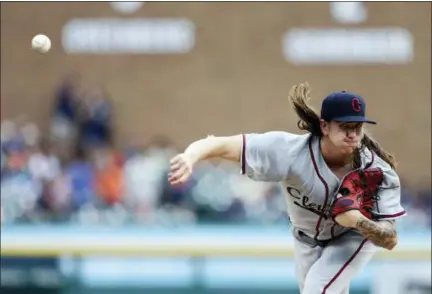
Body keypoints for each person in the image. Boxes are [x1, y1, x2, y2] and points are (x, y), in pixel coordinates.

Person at [168, 82, 406, 294]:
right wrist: (190, 157)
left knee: (318, 289)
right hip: (305, 239)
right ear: (324, 126)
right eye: (345, 126)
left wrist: (359, 222)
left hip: (352, 237)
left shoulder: (377, 170)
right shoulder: (288, 151)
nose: (353, 134)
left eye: (358, 126)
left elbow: (390, 239)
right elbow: (219, 145)